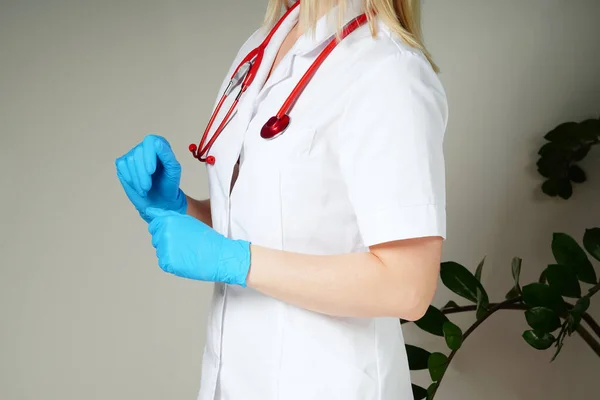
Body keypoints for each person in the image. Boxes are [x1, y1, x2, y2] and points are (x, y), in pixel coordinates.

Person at [115, 0, 448, 399]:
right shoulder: (261, 49)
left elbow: (406, 288)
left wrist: (237, 262)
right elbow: (262, 228)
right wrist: (181, 208)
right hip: (232, 380)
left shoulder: (389, 68)